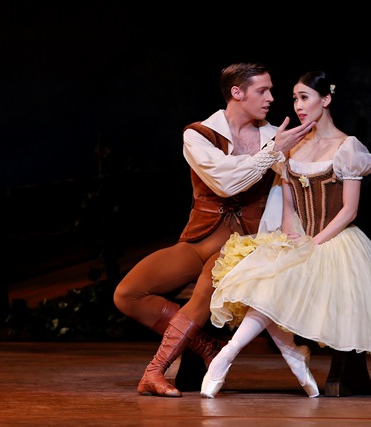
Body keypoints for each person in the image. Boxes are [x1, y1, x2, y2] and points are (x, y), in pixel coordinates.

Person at [200, 70, 371, 399]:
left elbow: (349, 210)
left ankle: (253, 357)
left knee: (320, 291)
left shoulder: (347, 147)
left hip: (337, 238)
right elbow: (289, 206)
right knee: (264, 284)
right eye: (294, 98)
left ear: (326, 100)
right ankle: (242, 357)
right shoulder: (293, 147)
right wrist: (289, 240)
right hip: (302, 235)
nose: (298, 105)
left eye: (304, 97)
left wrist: (315, 243)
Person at [112, 63, 316, 398]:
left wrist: (276, 150)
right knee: (127, 293)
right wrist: (272, 153)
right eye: (262, 90)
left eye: (271, 90)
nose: (271, 98)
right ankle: (207, 347)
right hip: (200, 237)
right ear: (237, 93)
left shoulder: (274, 135)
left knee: (203, 294)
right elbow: (224, 182)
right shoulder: (198, 134)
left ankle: (154, 371)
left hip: (244, 243)